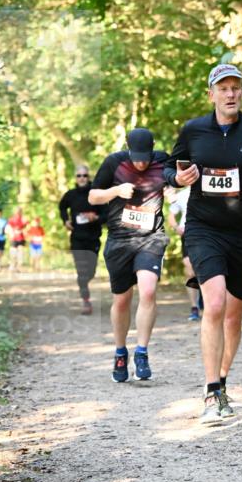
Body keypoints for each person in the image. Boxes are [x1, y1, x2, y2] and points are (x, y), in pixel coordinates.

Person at [165, 63, 242, 423]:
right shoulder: (193, 130)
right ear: (212, 94)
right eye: (223, 88)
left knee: (233, 317)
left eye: (236, 88)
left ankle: (221, 382)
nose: (230, 94)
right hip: (202, 229)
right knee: (214, 303)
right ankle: (210, 394)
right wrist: (178, 176)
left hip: (240, 233)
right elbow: (167, 170)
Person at [88, 128, 170, 383]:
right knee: (122, 300)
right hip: (120, 240)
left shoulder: (162, 160)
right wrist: (115, 191)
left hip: (151, 237)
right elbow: (93, 196)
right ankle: (120, 352)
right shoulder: (114, 162)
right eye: (137, 158)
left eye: (145, 157)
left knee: (147, 291)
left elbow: (181, 177)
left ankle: (142, 352)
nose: (142, 162)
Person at [59, 166, 105, 315]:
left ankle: (85, 287)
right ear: (75, 178)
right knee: (81, 272)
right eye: (79, 175)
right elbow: (62, 207)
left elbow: (107, 214)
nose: (82, 178)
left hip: (93, 239)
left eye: (84, 175)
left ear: (89, 176)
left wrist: (96, 217)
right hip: (77, 238)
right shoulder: (70, 195)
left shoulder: (96, 195)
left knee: (90, 272)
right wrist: (65, 220)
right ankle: (86, 301)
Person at [168, 185, 202, 322]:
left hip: (207, 234)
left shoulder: (208, 190)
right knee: (190, 269)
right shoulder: (182, 194)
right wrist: (176, 227)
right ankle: (194, 306)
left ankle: (205, 300)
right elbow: (171, 216)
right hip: (187, 234)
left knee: (205, 269)